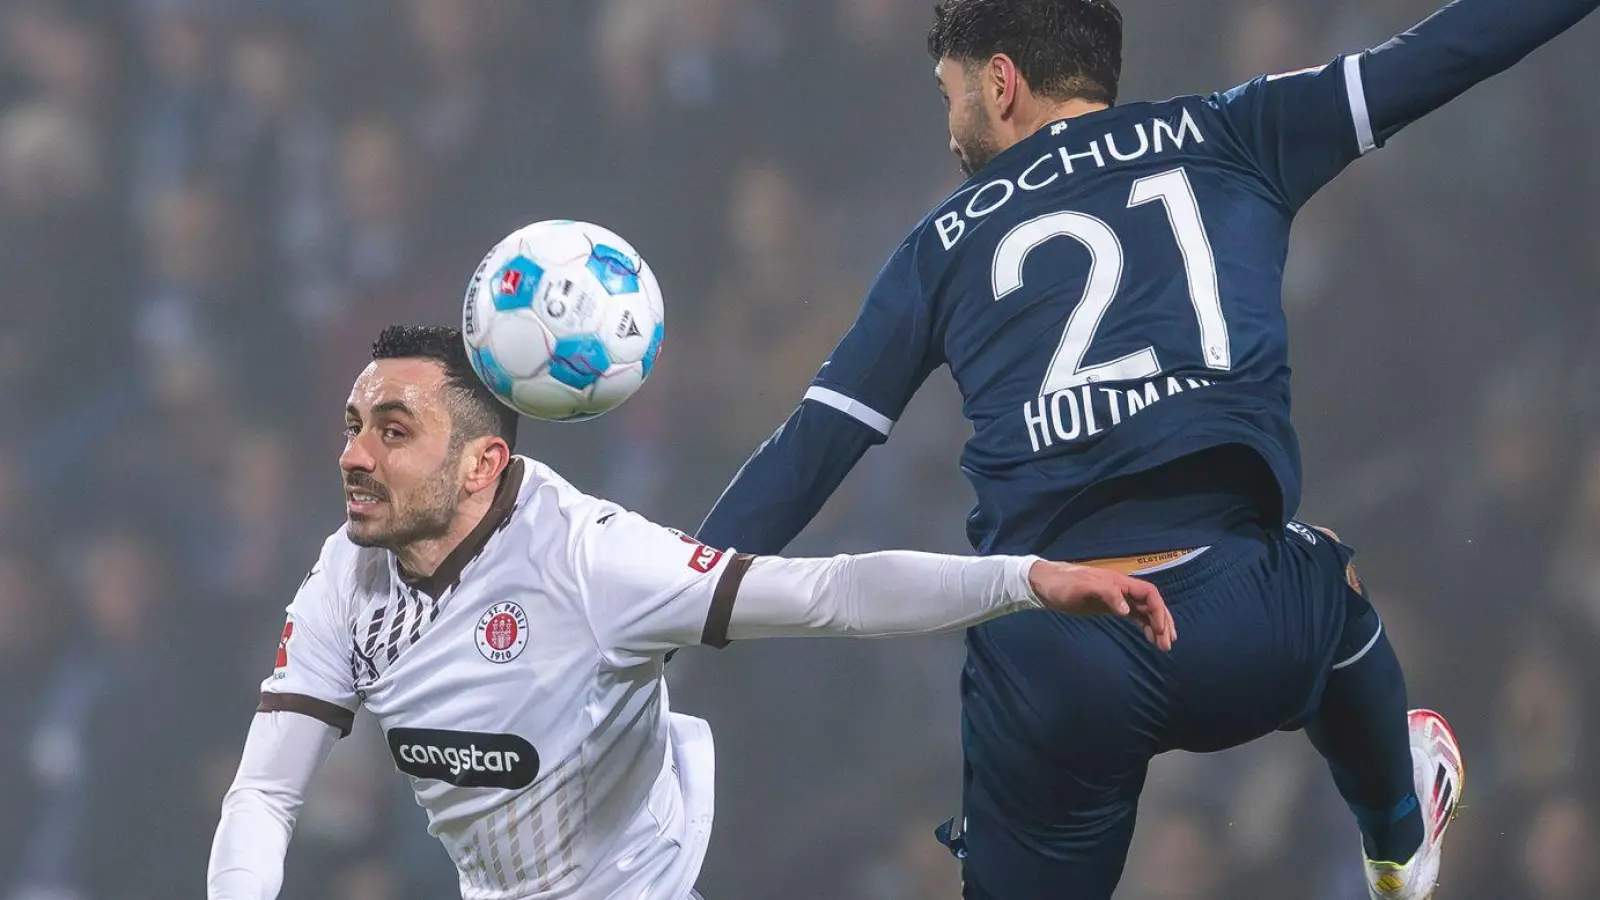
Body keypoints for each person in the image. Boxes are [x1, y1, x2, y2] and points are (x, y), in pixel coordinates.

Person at [695, 1, 1600, 897]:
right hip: (1248, 623)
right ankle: (1398, 844)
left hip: (1056, 661)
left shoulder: (940, 241)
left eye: (951, 94)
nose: (950, 127)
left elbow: (809, 453)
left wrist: (661, 594)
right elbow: (1447, 51)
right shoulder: (1232, 131)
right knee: (1337, 596)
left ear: (1001, 82)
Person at [204, 324, 1175, 900]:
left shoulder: (595, 560)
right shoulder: (348, 576)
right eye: (351, 427)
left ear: (479, 465)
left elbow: (830, 593)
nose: (355, 455)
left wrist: (1022, 578)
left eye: (392, 430)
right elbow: (266, 794)